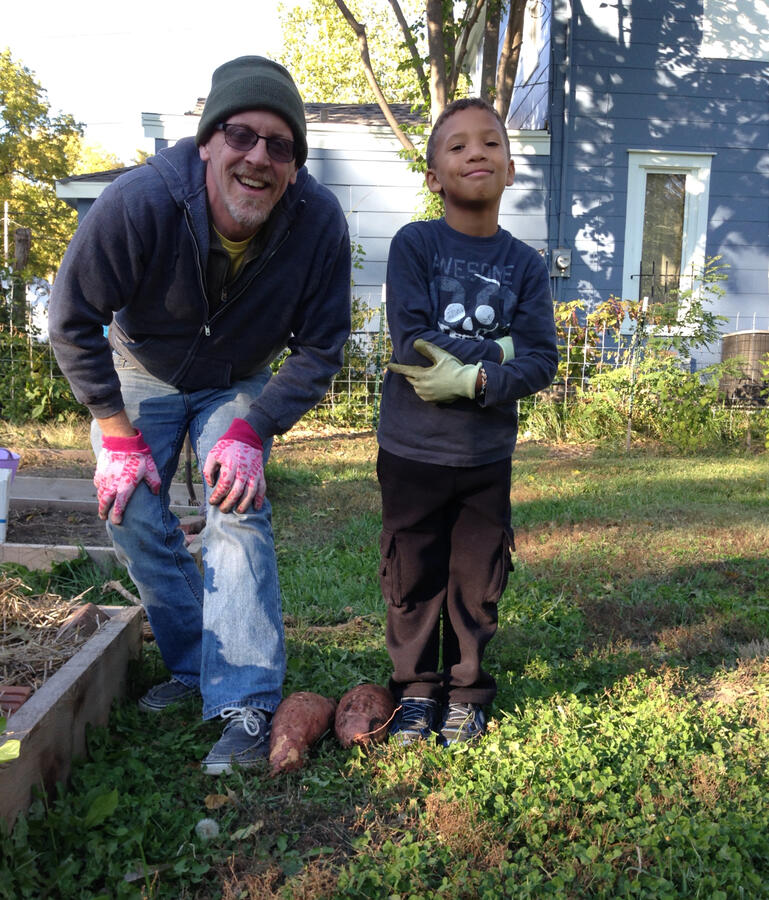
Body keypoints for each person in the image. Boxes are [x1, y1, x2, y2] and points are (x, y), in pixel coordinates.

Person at [48, 57, 351, 773]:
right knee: (128, 510)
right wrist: (116, 434)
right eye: (241, 136)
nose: (258, 159)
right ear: (208, 141)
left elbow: (321, 346)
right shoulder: (142, 201)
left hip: (236, 380)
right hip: (140, 370)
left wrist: (255, 427)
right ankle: (192, 664)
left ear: (295, 167)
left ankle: (245, 696)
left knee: (235, 502)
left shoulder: (317, 223)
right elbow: (72, 319)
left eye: (280, 147)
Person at [378, 97, 558, 747]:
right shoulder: (414, 245)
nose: (474, 153)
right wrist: (502, 350)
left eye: (489, 144)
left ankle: (467, 693)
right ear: (432, 177)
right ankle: (416, 693)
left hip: (484, 455)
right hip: (410, 450)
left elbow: (544, 360)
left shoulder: (525, 266)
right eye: (455, 147)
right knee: (410, 575)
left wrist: (480, 377)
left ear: (510, 169)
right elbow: (413, 346)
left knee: (477, 582)